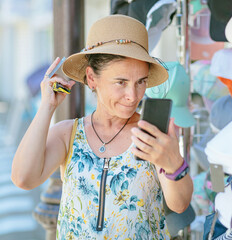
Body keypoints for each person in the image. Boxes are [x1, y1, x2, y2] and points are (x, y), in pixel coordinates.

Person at [11, 15, 193, 239]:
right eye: (121, 82)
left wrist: (173, 162)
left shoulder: (151, 135)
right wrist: (46, 108)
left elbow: (180, 204)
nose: (133, 95)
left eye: (141, 82)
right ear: (92, 78)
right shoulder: (67, 133)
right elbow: (24, 179)